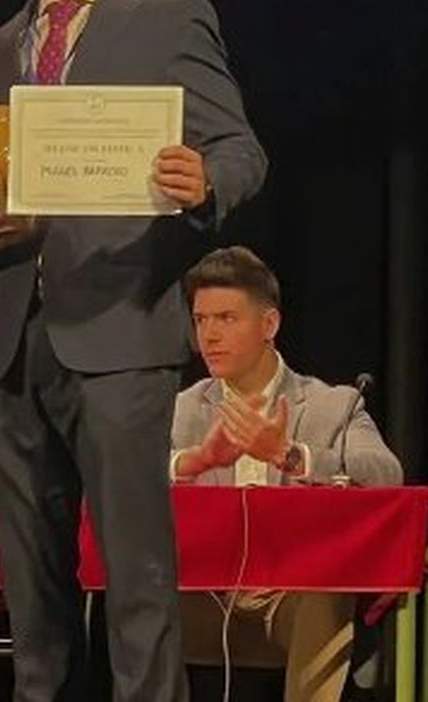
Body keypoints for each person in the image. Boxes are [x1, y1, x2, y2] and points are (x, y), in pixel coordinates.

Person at [0, 0, 269, 702]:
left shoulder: (166, 13)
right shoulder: (2, 45)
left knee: (137, 587)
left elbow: (241, 150)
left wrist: (203, 178)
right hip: (10, 346)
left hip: (122, 334)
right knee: (30, 602)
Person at [172, 246, 402, 702]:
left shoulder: (332, 405)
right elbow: (126, 483)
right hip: (203, 597)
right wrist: (193, 462)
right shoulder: (182, 409)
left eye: (226, 319)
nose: (209, 336)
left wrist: (289, 454)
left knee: (324, 597)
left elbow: (386, 475)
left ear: (269, 325)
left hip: (286, 598)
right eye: (201, 320)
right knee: (137, 594)